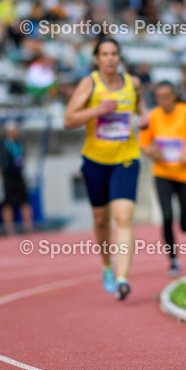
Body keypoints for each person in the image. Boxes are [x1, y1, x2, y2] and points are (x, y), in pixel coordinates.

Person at [64, 37, 148, 301]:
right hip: (95, 162)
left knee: (122, 217)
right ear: (97, 59)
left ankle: (123, 279)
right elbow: (68, 119)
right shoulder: (89, 83)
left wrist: (144, 117)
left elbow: (140, 106)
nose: (110, 58)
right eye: (105, 54)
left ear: (119, 57)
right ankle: (107, 265)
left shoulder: (133, 83)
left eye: (114, 53)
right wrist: (97, 110)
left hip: (126, 159)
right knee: (101, 220)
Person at [139, 81, 186, 277]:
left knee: (184, 224)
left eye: (166, 96)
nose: (162, 100)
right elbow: (145, 144)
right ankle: (173, 260)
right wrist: (152, 153)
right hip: (163, 173)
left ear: (174, 96)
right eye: (159, 97)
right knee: (167, 217)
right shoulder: (153, 116)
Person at [0, 121, 34, 234]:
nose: (15, 132)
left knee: (25, 200)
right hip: (7, 175)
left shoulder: (19, 142)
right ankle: (9, 228)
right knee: (8, 202)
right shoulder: (2, 143)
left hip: (19, 174)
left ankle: (28, 225)